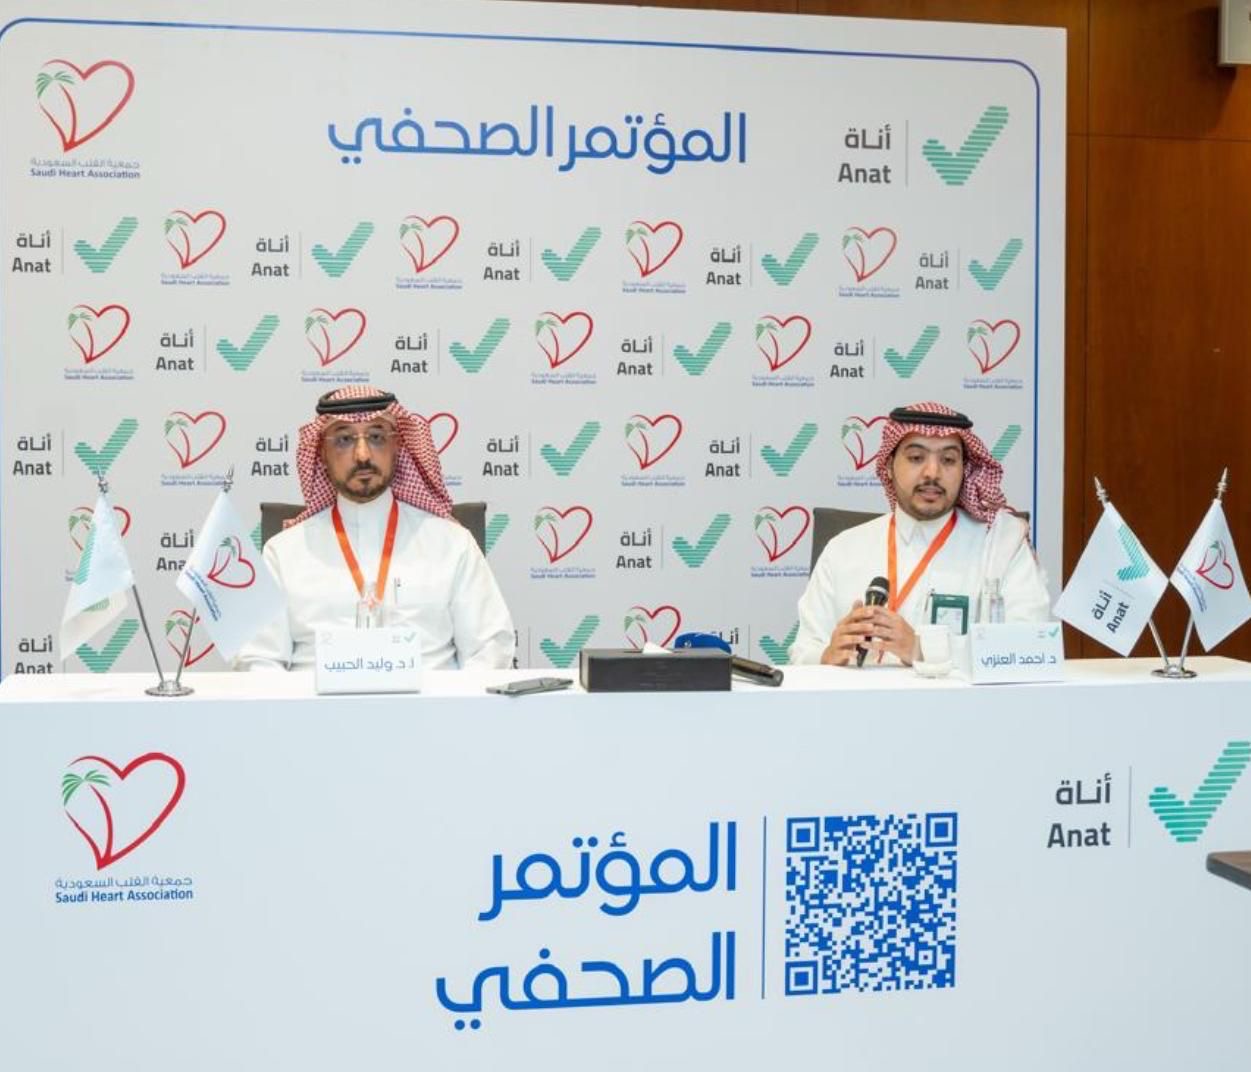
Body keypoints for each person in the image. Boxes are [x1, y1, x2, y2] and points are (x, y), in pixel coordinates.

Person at [234, 386, 515, 670]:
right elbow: (258, 658)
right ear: (322, 452)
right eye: (344, 439)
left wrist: (451, 700)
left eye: (377, 437)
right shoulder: (282, 553)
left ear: (398, 446)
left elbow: (490, 647)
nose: (362, 455)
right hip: (313, 700)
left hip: (433, 699)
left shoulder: (452, 543)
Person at [792, 402, 1050, 666]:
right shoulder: (843, 548)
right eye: (916, 458)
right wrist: (826, 656)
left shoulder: (1001, 545)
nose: (932, 473)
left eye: (948, 460)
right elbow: (802, 652)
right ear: (889, 466)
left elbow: (1031, 648)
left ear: (965, 470)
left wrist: (921, 649)